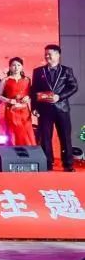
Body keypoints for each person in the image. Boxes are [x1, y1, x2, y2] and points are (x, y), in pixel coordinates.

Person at [30, 44, 77, 172]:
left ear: (58, 55)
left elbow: (73, 87)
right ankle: (47, 163)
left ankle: (68, 164)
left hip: (62, 109)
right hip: (44, 110)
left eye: (49, 54)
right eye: (45, 54)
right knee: (45, 138)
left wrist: (59, 97)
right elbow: (34, 90)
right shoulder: (38, 71)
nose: (47, 56)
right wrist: (34, 107)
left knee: (65, 137)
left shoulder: (66, 71)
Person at [0, 57, 36, 146]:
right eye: (13, 65)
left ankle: (28, 151)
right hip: (11, 110)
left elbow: (30, 94)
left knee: (26, 131)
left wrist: (28, 97)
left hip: (24, 111)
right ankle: (14, 151)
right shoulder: (5, 80)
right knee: (13, 132)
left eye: (18, 65)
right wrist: (9, 100)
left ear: (22, 67)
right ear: (10, 67)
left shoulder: (27, 80)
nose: (16, 67)